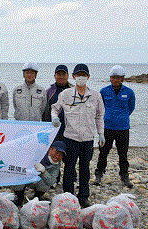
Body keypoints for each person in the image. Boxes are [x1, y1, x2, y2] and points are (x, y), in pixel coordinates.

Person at [51, 63, 105, 208]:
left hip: (88, 139)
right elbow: (55, 109)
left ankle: (83, 196)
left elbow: (100, 116)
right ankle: (68, 195)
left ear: (88, 77)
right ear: (74, 77)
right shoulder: (66, 94)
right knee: (69, 167)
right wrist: (54, 118)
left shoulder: (95, 96)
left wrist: (101, 134)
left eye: (83, 75)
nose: (81, 77)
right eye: (78, 75)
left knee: (85, 168)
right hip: (70, 137)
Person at [94, 65, 136, 188]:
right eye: (113, 77)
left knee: (123, 154)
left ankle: (124, 176)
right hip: (107, 128)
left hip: (123, 128)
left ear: (122, 78)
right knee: (103, 153)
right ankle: (99, 174)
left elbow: (131, 108)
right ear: (110, 78)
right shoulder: (104, 91)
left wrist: (121, 117)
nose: (115, 80)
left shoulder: (129, 92)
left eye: (118, 77)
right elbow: (99, 108)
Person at [13, 141, 67, 206]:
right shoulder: (39, 153)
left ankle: (37, 197)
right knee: (18, 177)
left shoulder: (56, 164)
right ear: (50, 149)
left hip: (37, 182)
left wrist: (44, 172)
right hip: (26, 178)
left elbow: (52, 181)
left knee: (46, 184)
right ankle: (19, 197)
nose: (57, 156)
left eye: (61, 155)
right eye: (57, 152)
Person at [42, 64, 73, 142]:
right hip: (53, 130)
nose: (61, 77)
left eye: (64, 74)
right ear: (54, 76)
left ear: (68, 76)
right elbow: (44, 112)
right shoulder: (48, 92)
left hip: (70, 131)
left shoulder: (74, 91)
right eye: (59, 74)